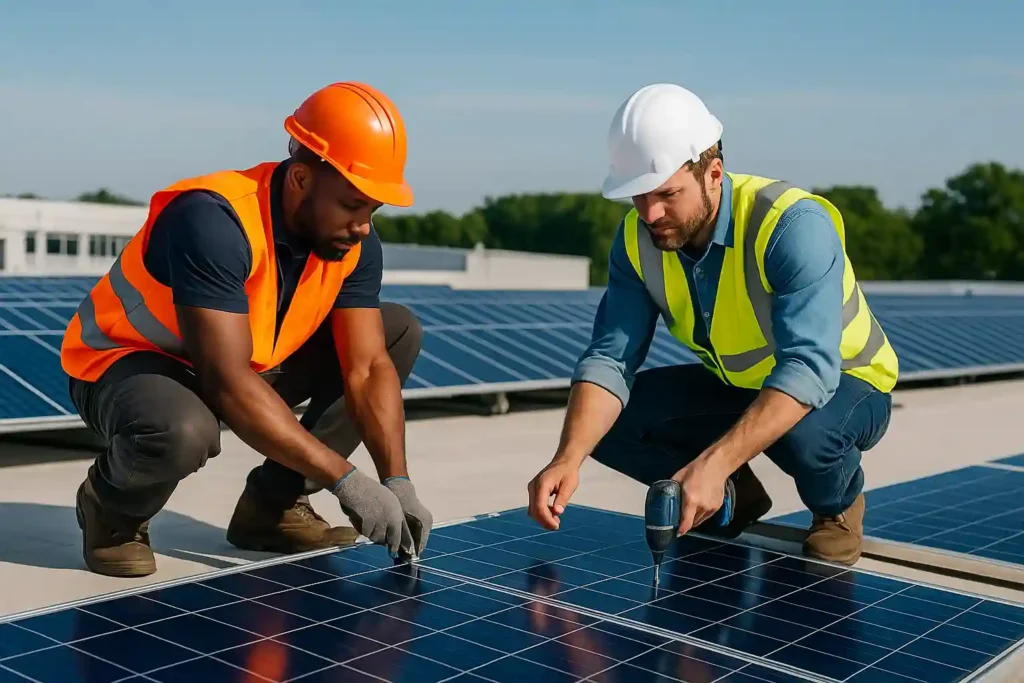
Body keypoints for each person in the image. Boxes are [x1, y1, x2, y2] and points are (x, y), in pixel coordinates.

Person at [60, 82, 433, 578]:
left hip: (237, 364)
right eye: (351, 205)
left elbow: (366, 367)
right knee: (182, 429)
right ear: (300, 177)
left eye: (373, 209)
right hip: (125, 364)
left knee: (396, 330)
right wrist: (346, 479)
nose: (363, 225)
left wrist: (396, 479)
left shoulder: (353, 242)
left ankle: (271, 507)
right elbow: (228, 384)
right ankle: (110, 509)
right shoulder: (212, 219)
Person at [526, 83, 898, 565]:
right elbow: (609, 359)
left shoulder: (790, 224)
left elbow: (809, 368)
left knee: (802, 433)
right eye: (637, 197)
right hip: (744, 383)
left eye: (667, 194)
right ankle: (731, 499)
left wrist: (717, 459)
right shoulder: (638, 241)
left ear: (714, 173)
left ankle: (837, 507)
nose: (650, 214)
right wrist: (567, 457)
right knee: (606, 426)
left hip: (849, 384)